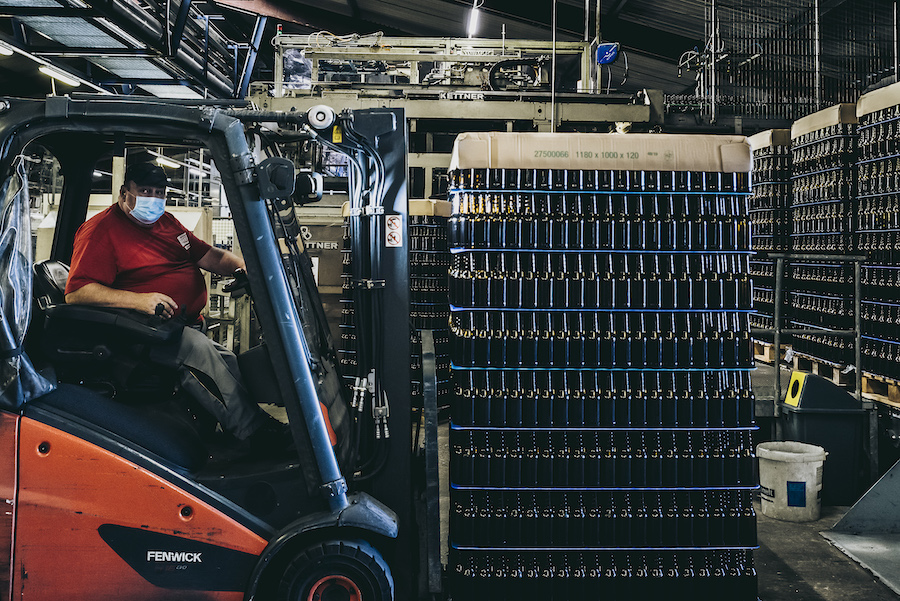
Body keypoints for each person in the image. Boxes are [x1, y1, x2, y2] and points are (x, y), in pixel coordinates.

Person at [65, 161, 288, 454]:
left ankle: (226, 428)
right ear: (124, 193)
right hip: (140, 333)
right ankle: (255, 432)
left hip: (173, 327)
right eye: (144, 191)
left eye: (159, 192)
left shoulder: (166, 223)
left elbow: (208, 256)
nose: (153, 199)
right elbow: (77, 292)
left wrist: (243, 267)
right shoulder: (101, 231)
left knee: (228, 361)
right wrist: (140, 300)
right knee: (201, 353)